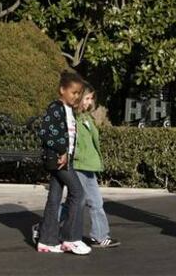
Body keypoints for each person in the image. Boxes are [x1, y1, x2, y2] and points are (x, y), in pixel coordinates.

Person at [33, 83, 120, 248]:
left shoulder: (87, 117)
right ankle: (99, 236)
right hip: (79, 164)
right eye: (86, 98)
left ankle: (44, 228)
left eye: (91, 98)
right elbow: (70, 141)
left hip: (90, 166)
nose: (89, 102)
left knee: (76, 202)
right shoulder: (72, 118)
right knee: (89, 201)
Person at [37, 71, 91, 255]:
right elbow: (45, 133)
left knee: (54, 198)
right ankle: (71, 238)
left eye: (79, 93)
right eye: (73, 92)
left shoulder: (69, 111)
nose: (76, 97)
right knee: (78, 193)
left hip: (63, 160)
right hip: (59, 160)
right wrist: (62, 151)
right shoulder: (55, 107)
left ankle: (47, 241)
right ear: (62, 90)